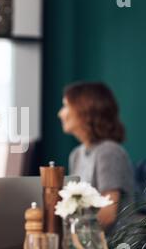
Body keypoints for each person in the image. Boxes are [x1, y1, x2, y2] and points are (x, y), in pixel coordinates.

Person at [58, 82, 135, 234]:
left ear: (85, 110)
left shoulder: (109, 152)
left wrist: (77, 243)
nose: (60, 113)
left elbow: (108, 215)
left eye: (66, 106)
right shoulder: (76, 155)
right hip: (92, 244)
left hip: (116, 248)